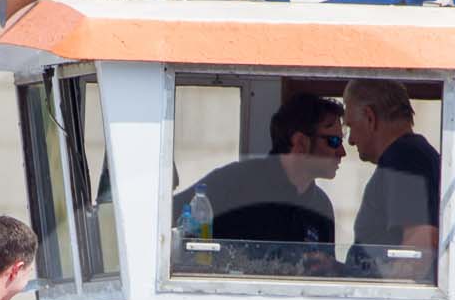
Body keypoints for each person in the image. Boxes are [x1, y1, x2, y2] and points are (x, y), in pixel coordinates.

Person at [178, 94, 345, 252]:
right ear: (300, 142)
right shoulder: (233, 183)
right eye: (334, 141)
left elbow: (326, 276)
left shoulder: (321, 206)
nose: (342, 152)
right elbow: (166, 220)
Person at [342, 78, 440, 275]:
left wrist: (389, 296)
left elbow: (420, 242)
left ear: (370, 118)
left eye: (351, 126)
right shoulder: (412, 154)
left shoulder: (404, 157)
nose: (351, 140)